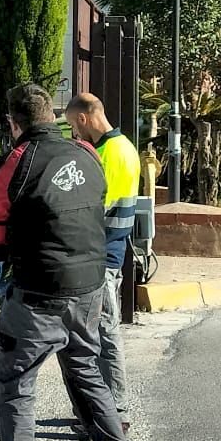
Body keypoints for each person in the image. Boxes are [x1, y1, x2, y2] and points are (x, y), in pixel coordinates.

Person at [0, 82, 145, 441]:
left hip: (37, 293)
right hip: (89, 288)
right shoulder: (86, 154)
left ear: (13, 123)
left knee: (17, 384)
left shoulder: (15, 162)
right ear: (52, 116)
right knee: (86, 372)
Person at [64, 91, 141, 423]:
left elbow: (93, 210)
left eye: (73, 125)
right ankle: (104, 411)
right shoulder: (124, 147)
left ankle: (115, 413)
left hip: (101, 257)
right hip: (112, 251)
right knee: (99, 332)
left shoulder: (107, 154)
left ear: (83, 118)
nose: (74, 133)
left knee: (106, 333)